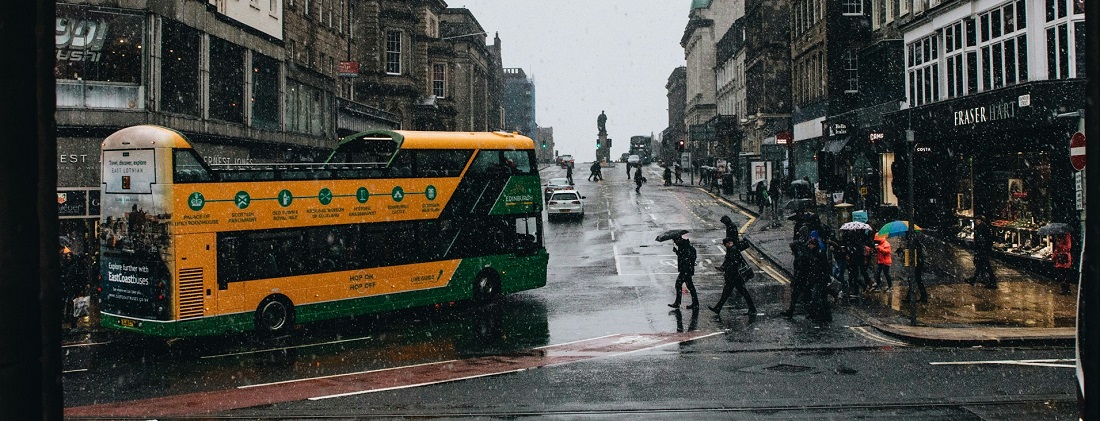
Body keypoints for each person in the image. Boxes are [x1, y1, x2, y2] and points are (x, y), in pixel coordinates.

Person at [711, 237, 757, 316]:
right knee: (726, 293)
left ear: (729, 243)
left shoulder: (733, 250)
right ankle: (718, 308)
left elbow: (734, 263)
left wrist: (726, 268)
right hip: (732, 277)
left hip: (734, 277)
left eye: (725, 245)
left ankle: (752, 309)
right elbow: (729, 261)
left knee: (743, 292)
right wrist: (723, 267)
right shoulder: (732, 249)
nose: (725, 246)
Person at [668, 236, 699, 309]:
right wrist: (677, 252)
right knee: (690, 286)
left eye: (675, 240)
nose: (675, 242)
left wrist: (678, 252)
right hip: (687, 270)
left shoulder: (685, 247)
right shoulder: (685, 246)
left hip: (685, 270)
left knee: (679, 284)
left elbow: (684, 258)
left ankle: (678, 303)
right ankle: (695, 303)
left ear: (679, 240)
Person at [898, 232, 929, 303]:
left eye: (906, 235)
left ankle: (919, 297)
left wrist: (904, 251)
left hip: (916, 263)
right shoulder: (913, 242)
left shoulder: (913, 242)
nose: (905, 237)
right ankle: (913, 297)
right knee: (915, 280)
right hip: (916, 263)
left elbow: (913, 253)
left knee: (915, 279)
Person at [968, 215, 997, 288]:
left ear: (979, 220)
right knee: (980, 265)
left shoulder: (981, 228)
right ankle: (975, 279)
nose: (975, 222)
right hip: (983, 249)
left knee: (984, 265)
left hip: (982, 250)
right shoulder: (983, 227)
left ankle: (992, 282)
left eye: (976, 220)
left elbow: (981, 239)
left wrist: (979, 248)